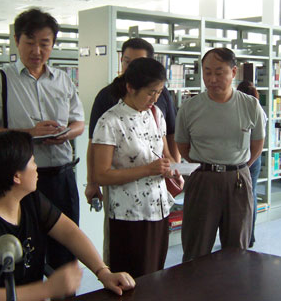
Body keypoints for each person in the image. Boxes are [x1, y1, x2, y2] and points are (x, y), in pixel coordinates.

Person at [0, 131, 135, 301]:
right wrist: (46, 290)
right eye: (32, 162)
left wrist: (103, 272)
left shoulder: (30, 200)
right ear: (16, 176)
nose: (36, 167)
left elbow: (69, 232)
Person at [0, 8, 85, 270]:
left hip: (61, 177)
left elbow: (79, 123)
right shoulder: (0, 80)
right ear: (16, 40)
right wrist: (29, 134)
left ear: (53, 44)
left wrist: (65, 134)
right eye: (30, 43)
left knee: (65, 253)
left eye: (44, 44)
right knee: (24, 254)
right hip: (18, 183)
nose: (37, 51)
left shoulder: (64, 80)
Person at [92, 57, 183, 278]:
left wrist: (172, 169)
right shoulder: (110, 122)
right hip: (129, 215)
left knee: (155, 274)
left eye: (160, 92)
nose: (155, 98)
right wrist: (147, 170)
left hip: (159, 209)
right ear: (130, 88)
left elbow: (165, 154)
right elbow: (101, 175)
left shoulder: (155, 114)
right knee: (130, 278)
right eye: (150, 92)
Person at [175, 47, 266, 262]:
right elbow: (182, 146)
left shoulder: (250, 105)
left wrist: (237, 166)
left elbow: (257, 144)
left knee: (237, 248)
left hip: (238, 180)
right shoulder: (189, 107)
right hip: (202, 178)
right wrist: (208, 166)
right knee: (196, 246)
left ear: (233, 73)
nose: (212, 79)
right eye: (207, 72)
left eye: (219, 72)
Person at [85, 37, 180, 206]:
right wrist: (92, 182)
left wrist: (174, 169)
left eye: (139, 63)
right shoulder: (108, 104)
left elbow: (169, 138)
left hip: (157, 201)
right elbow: (94, 145)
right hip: (125, 202)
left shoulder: (157, 106)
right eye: (127, 62)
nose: (132, 69)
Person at [237, 80, 263, 248]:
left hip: (246, 158)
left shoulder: (247, 109)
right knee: (250, 196)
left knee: (246, 197)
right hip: (254, 157)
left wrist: (246, 163)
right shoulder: (259, 108)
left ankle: (246, 235)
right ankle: (249, 236)